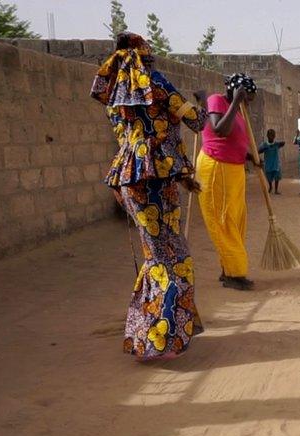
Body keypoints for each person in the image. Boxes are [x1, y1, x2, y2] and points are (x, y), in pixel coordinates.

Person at [90, 32, 206, 360]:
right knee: (174, 259)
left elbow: (125, 136)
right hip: (155, 179)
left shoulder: (117, 92)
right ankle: (159, 337)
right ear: (147, 55)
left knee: (157, 254)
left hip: (129, 179)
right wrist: (204, 101)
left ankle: (163, 329)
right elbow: (195, 121)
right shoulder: (155, 81)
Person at [196, 73, 261, 291]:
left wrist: (248, 156)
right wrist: (235, 102)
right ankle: (234, 273)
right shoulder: (217, 101)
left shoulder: (238, 110)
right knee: (223, 221)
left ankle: (229, 269)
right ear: (236, 91)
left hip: (234, 170)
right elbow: (219, 130)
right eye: (246, 97)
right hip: (217, 168)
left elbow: (235, 139)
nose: (247, 103)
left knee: (235, 219)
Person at [258, 128, 285, 194]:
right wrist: (264, 149)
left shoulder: (276, 144)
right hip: (268, 164)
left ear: (274, 136)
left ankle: (276, 190)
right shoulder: (264, 144)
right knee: (269, 178)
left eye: (272, 136)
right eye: (269, 135)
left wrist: (276, 144)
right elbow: (258, 151)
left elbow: (283, 143)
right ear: (267, 136)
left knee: (277, 177)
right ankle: (270, 186)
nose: (271, 137)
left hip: (276, 164)